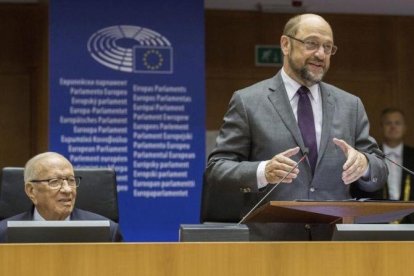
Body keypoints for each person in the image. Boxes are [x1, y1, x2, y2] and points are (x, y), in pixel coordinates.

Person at [204, 13, 388, 240]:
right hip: (269, 247)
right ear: (285, 44)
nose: (320, 54)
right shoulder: (248, 101)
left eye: (328, 47)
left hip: (334, 245)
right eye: (311, 43)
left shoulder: (350, 105)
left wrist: (366, 164)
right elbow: (217, 170)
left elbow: (380, 168)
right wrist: (263, 171)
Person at [0, 152, 123, 242]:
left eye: (71, 180)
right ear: (31, 191)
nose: (67, 189)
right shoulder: (3, 234)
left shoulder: (107, 233)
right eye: (55, 182)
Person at [352, 108, 414, 220]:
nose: (393, 127)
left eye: (397, 123)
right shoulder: (368, 156)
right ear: (381, 128)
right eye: (388, 123)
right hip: (375, 219)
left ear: (405, 128)